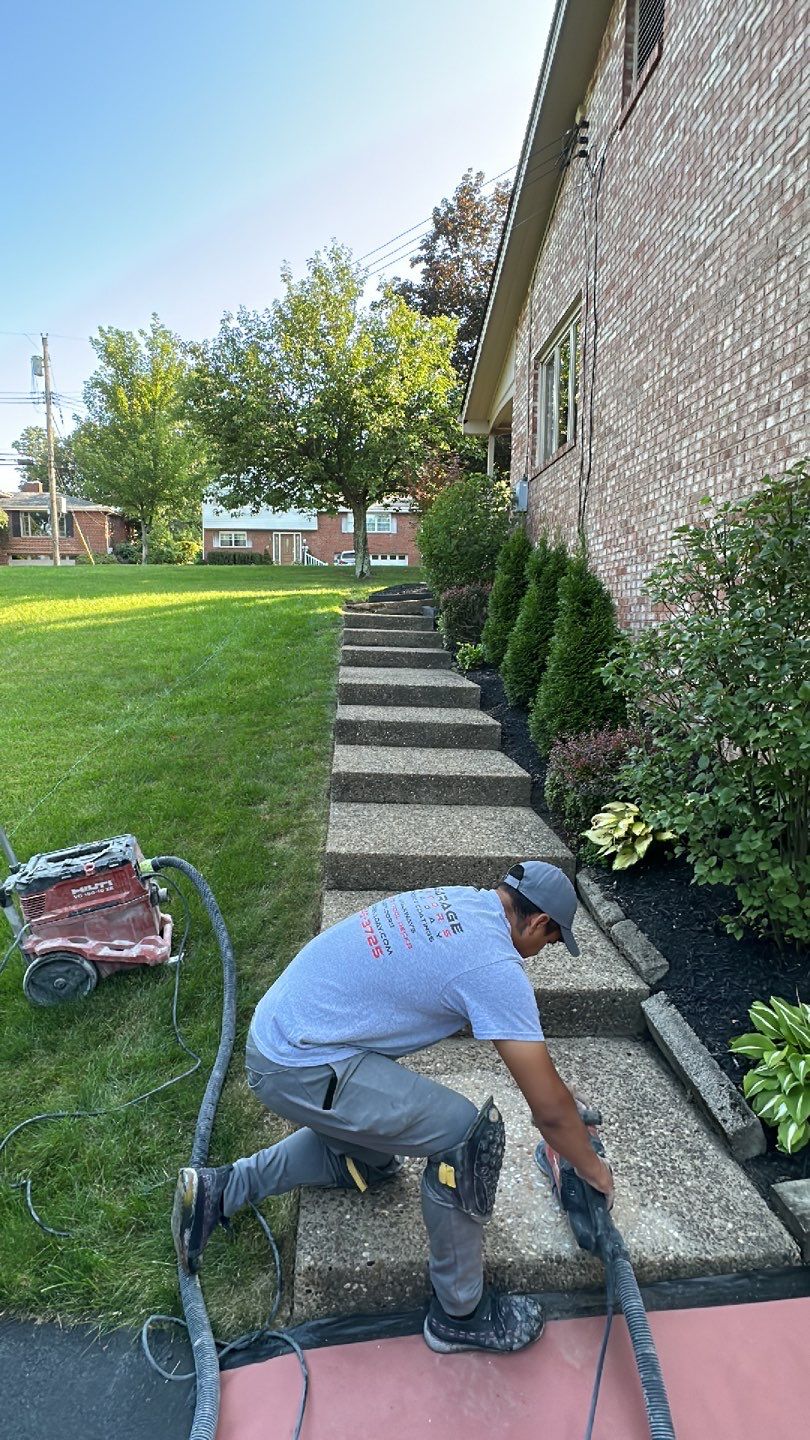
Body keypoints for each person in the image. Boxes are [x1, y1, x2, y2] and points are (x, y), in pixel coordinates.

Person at [172, 861, 614, 1355]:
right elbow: (549, 1113)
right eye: (550, 942)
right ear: (539, 922)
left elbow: (540, 1079)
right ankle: (460, 1315)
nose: (542, 952)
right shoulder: (493, 965)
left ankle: (219, 1190)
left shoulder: (461, 901)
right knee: (466, 1134)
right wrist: (593, 1171)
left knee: (370, 1162)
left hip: (284, 1035)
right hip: (300, 1063)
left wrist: (559, 1094)